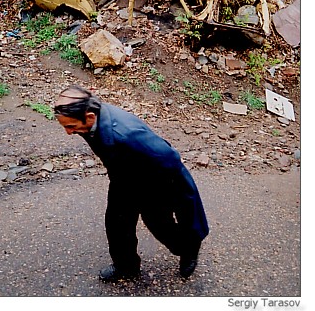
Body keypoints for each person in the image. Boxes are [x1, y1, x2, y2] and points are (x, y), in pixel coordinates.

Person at [54, 84, 209, 282]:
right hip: (123, 178)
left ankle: (188, 248)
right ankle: (126, 267)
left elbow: (169, 160)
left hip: (153, 182)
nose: (68, 132)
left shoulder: (126, 135)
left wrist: (176, 199)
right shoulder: (89, 118)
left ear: (90, 116)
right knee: (116, 224)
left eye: (71, 126)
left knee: (160, 225)